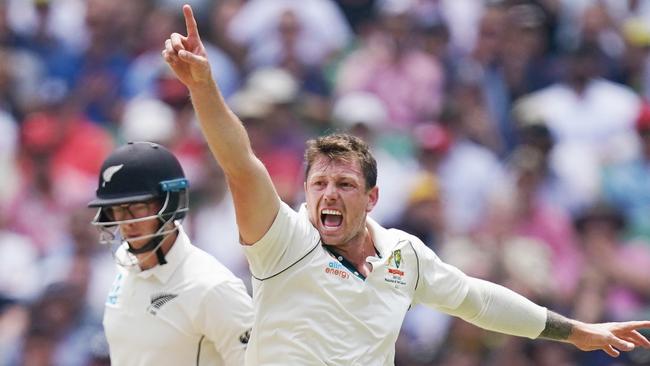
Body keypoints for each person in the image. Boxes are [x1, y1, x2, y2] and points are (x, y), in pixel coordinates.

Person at [163, 5, 650, 365]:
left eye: (344, 184)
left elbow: (478, 300)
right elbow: (241, 164)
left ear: (373, 198)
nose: (328, 194)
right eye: (319, 183)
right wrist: (203, 87)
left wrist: (577, 331)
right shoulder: (282, 239)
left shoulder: (404, 255)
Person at [88, 141, 253, 365]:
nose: (126, 222)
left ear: (171, 202)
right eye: (117, 209)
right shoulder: (121, 268)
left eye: (137, 207)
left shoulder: (212, 287)